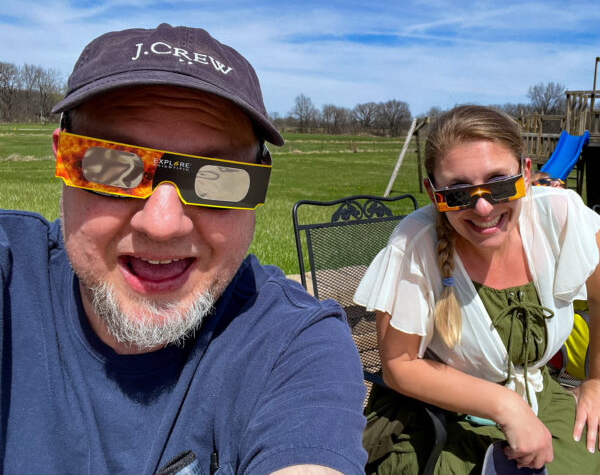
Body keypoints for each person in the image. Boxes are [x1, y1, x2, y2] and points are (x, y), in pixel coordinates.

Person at [0, 24, 367, 474]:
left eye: (217, 178)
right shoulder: (10, 273)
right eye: (114, 166)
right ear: (61, 157)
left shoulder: (294, 348)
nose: (161, 224)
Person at [353, 104, 600, 473]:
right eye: (457, 191)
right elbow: (399, 365)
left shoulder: (561, 217)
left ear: (527, 173)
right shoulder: (413, 245)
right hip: (444, 418)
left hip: (541, 400)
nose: (483, 207)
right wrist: (506, 405)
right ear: (432, 192)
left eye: (500, 183)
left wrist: (595, 381)